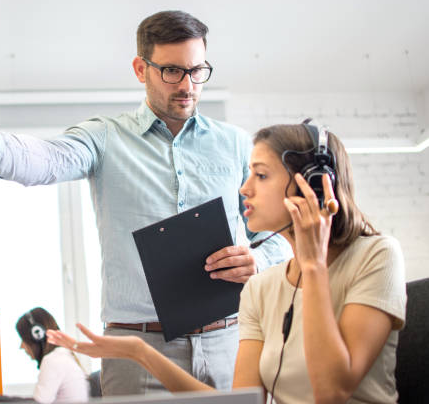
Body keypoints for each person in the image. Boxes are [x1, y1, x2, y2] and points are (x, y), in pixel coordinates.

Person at [0, 10, 290, 395]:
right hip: (136, 351)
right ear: (141, 69)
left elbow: (281, 235)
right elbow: (45, 159)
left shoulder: (236, 144)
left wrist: (259, 261)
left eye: (197, 70)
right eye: (171, 71)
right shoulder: (104, 137)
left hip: (230, 341)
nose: (187, 85)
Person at [46, 122, 407, 404]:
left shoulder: (376, 256)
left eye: (261, 175)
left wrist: (312, 267)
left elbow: (330, 393)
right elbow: (241, 401)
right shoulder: (262, 288)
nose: (243, 188)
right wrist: (137, 350)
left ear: (308, 186)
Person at [16, 307, 89, 403]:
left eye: (23, 339)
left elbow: (39, 402)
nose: (21, 346)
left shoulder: (53, 360)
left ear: (37, 335)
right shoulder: (63, 355)